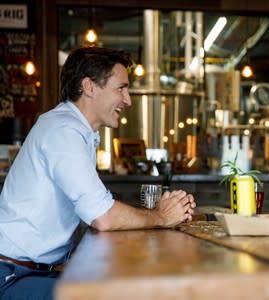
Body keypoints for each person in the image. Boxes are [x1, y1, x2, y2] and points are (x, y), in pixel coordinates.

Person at [0, 46, 196, 299]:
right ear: (90, 87)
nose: (128, 100)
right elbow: (102, 217)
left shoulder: (79, 132)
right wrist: (161, 216)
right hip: (11, 276)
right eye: (121, 88)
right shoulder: (63, 131)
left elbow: (95, 210)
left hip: (31, 271)